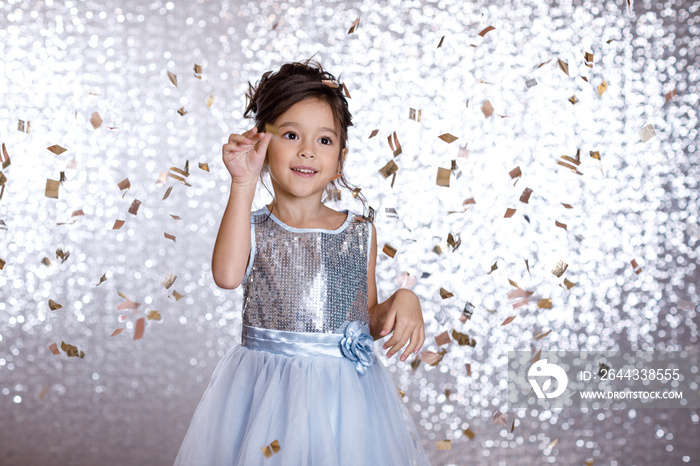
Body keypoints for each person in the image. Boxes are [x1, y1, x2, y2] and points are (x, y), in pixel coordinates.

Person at [174, 60, 431, 465]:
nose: (308, 150)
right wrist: (242, 182)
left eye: (324, 141)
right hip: (266, 395)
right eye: (291, 135)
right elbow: (226, 276)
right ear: (263, 143)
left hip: (340, 402)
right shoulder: (254, 227)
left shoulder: (359, 231)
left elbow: (363, 320)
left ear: (340, 158)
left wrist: (404, 299)